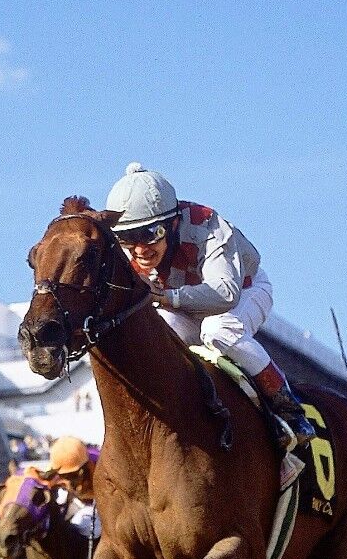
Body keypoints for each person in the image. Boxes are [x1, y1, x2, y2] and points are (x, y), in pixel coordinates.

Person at [104, 163, 316, 450]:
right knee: (159, 336)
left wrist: (167, 297)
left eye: (150, 234)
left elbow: (225, 293)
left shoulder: (207, 226)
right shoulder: (126, 251)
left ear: (173, 223)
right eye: (128, 237)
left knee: (217, 330)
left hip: (245, 291)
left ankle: (288, 410)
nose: (139, 249)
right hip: (185, 301)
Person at [45, 436, 100, 540]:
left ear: (86, 465)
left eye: (73, 475)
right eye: (64, 476)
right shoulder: (56, 467)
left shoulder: (100, 465)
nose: (69, 481)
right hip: (77, 501)